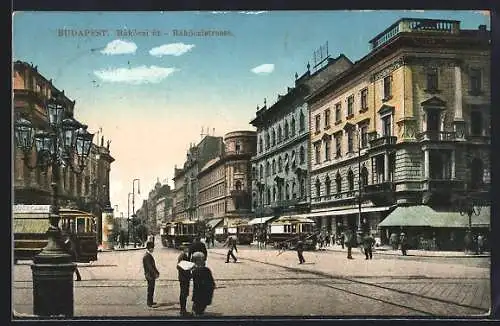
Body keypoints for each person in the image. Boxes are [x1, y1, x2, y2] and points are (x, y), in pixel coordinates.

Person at [191, 252, 216, 316]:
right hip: (204, 293)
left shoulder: (194, 270)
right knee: (200, 309)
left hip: (198, 294)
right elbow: (211, 281)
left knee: (197, 308)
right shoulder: (206, 270)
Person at [143, 241, 160, 308]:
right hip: (149, 275)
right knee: (150, 289)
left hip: (150, 275)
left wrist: (157, 272)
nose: (153, 249)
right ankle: (149, 303)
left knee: (151, 288)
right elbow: (150, 267)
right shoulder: (147, 256)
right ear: (149, 248)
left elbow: (152, 266)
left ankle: (151, 301)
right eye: (152, 248)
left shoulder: (148, 255)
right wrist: (155, 273)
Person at [177, 247, 192, 316]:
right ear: (185, 248)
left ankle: (183, 310)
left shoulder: (183, 255)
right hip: (184, 278)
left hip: (183, 277)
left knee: (184, 294)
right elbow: (181, 267)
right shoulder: (183, 256)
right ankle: (183, 311)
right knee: (183, 294)